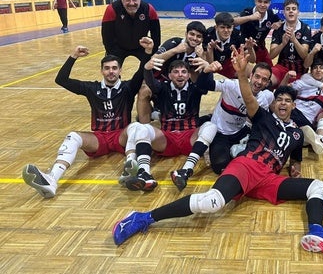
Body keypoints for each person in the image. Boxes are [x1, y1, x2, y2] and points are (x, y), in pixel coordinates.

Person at [112, 46, 323, 258]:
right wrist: (240, 74)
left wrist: (297, 166)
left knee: (317, 187)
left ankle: (316, 233)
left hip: (269, 178)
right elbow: (249, 97)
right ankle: (143, 218)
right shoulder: (262, 117)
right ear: (273, 103)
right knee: (213, 202)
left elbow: (296, 158)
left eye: (287, 101)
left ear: (293, 105)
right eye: (279, 100)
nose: (282, 103)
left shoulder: (296, 134)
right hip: (247, 166)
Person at [22, 39, 152, 198]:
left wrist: (147, 52)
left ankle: (130, 167)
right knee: (73, 136)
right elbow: (61, 80)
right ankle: (52, 179)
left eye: (114, 68)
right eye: (107, 68)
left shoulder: (128, 87)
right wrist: (73, 56)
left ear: (120, 71)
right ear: (101, 71)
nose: (111, 71)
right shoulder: (92, 88)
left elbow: (142, 70)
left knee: (136, 127)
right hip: (99, 139)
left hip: (121, 136)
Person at [118, 56, 220, 192]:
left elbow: (205, 82)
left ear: (189, 75)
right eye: (176, 72)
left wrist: (208, 69)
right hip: (167, 139)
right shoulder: (162, 87)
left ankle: (185, 170)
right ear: (170, 75)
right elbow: (151, 82)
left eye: (183, 72)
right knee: (143, 128)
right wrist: (147, 69)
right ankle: (144, 173)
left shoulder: (195, 88)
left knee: (211, 126)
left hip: (189, 138)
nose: (180, 75)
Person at [170, 61, 275, 187]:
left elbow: (258, 124)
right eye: (257, 76)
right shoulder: (231, 85)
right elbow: (204, 84)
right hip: (220, 132)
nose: (259, 82)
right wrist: (207, 71)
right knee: (219, 166)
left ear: (268, 83)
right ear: (250, 75)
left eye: (264, 79)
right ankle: (216, 151)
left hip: (240, 131)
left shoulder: (263, 99)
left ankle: (234, 150)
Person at [136, 21, 207, 123]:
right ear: (186, 34)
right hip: (162, 82)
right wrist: (175, 50)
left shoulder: (201, 52)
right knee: (144, 90)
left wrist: (202, 58)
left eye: (199, 36)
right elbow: (154, 59)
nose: (195, 38)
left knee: (197, 90)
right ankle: (144, 129)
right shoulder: (174, 43)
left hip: (182, 87)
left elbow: (203, 82)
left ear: (202, 39)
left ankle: (159, 114)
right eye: (192, 34)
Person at [101, 0, 161, 64]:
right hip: (118, 47)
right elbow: (107, 37)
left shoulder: (149, 9)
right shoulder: (112, 9)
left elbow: (156, 36)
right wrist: (111, 53)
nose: (132, 3)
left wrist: (152, 52)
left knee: (153, 67)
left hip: (142, 46)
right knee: (111, 69)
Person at [233, 0, 283, 67]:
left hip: (260, 47)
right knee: (243, 71)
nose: (262, 5)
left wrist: (278, 23)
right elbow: (232, 23)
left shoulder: (270, 14)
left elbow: (281, 21)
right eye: (260, 1)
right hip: (244, 47)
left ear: (269, 3)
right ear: (255, 1)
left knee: (269, 70)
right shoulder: (247, 12)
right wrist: (250, 17)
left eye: (265, 2)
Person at [269, 0, 312, 88]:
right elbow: (271, 55)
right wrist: (283, 44)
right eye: (288, 9)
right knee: (267, 80)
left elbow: (305, 55)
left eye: (293, 9)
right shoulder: (279, 29)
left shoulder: (305, 28)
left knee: (289, 91)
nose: (291, 11)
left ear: (298, 11)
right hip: (281, 67)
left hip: (299, 71)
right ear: (284, 12)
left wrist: (294, 40)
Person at [204, 12, 255, 79]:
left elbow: (252, 60)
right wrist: (210, 50)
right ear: (216, 27)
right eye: (222, 27)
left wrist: (250, 48)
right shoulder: (208, 35)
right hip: (213, 65)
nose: (226, 30)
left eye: (229, 27)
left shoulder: (237, 35)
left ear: (233, 27)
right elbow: (209, 64)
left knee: (254, 72)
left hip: (228, 63)